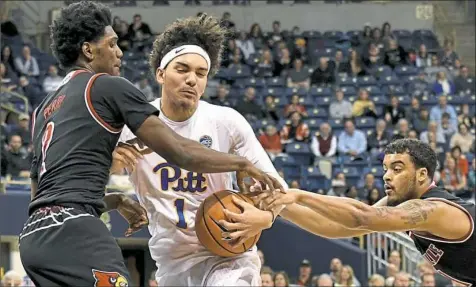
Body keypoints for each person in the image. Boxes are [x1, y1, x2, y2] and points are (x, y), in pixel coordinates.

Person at [18, 2, 282, 287]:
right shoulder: (105, 86)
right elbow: (180, 152)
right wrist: (241, 163)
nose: (120, 52)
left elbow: (43, 197)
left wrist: (115, 200)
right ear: (88, 50)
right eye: (113, 44)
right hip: (75, 230)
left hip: (34, 237)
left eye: (201, 73)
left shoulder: (43, 109)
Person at [113, 14, 287, 286]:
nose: (192, 79)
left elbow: (276, 188)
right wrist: (116, 196)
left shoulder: (226, 121)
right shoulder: (132, 127)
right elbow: (86, 178)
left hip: (227, 256)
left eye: (200, 73)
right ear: (160, 73)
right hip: (171, 262)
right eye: (182, 69)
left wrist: (264, 218)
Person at [227, 139, 475, 286]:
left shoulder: (434, 210)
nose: (387, 176)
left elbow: (362, 216)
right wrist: (281, 204)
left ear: (422, 175)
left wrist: (299, 194)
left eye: (397, 169)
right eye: (385, 168)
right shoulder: (398, 204)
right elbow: (338, 228)